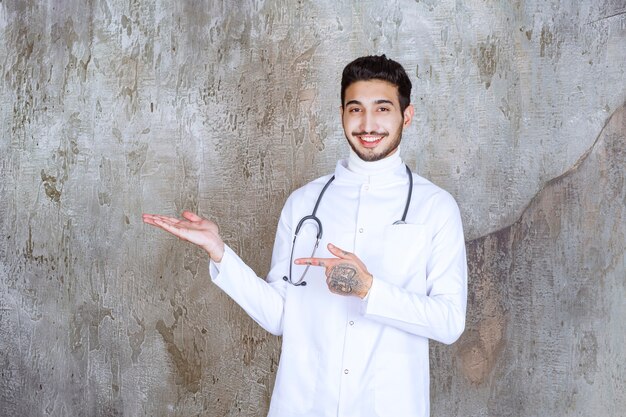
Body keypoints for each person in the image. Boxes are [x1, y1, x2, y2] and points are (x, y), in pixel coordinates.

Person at [143, 55, 467, 417]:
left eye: (383, 108)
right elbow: (281, 315)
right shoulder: (304, 204)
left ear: (406, 116)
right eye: (355, 109)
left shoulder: (435, 208)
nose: (368, 123)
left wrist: (369, 289)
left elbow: (449, 321)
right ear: (342, 114)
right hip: (305, 404)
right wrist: (220, 253)